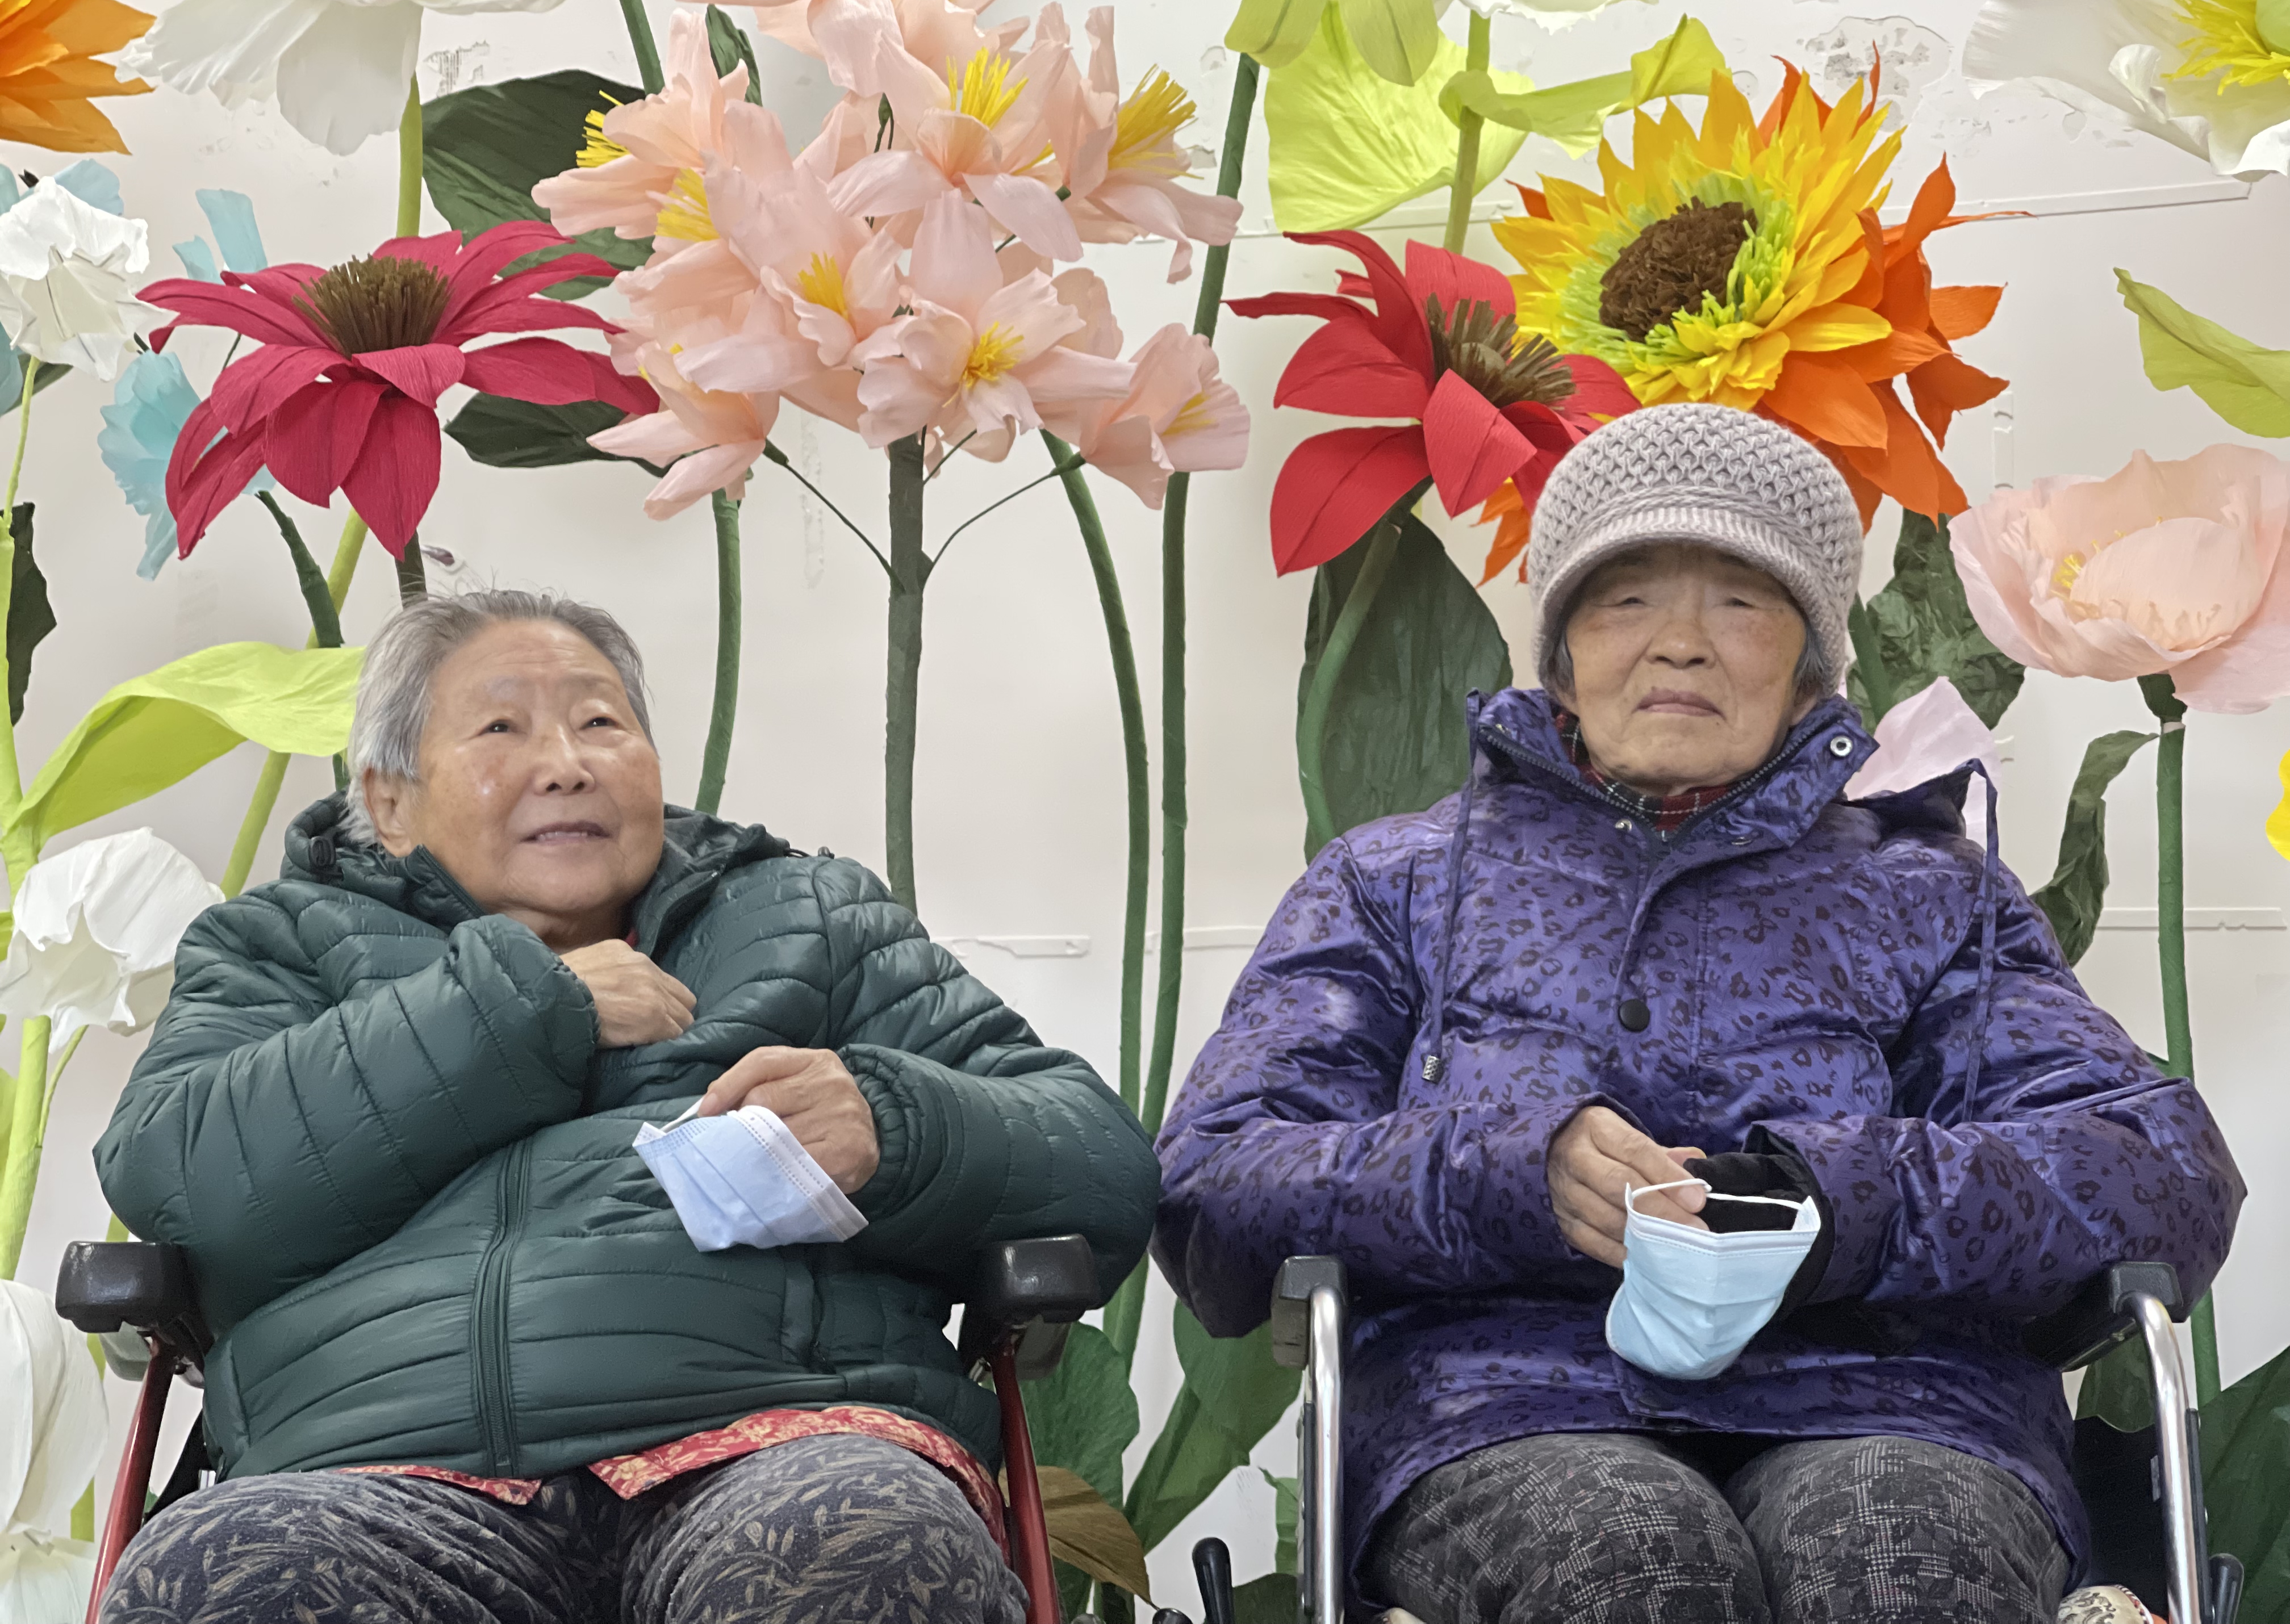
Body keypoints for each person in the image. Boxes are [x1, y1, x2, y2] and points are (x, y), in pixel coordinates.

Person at [1152, 404, 2243, 1624]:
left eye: (1741, 599)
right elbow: (1218, 1185)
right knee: (1632, 1561)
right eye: (1624, 599)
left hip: (1900, 1399)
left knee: (1896, 1559)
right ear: (1559, 650)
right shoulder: (1396, 880)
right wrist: (1509, 1171)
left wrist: (1837, 1201)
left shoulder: (1930, 893)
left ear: (1812, 664)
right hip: (1507, 1401)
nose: (1679, 644)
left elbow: (2160, 1170)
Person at [94, 589, 1159, 1624]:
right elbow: (181, 1180)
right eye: (502, 727)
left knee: (865, 1541)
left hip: (776, 1446)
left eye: (603, 723)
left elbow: (1101, 1166)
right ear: (390, 801)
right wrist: (520, 1010)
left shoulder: (810, 920)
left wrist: (896, 1126)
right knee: (230, 1580)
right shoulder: (279, 945)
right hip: (369, 1477)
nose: (567, 765)